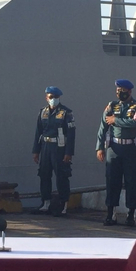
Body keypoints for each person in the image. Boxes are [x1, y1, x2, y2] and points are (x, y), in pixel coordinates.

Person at [96, 79, 136, 226]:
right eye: (118, 90)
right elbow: (103, 126)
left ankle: (131, 214)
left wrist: (116, 120)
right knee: (112, 181)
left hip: (131, 149)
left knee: (131, 181)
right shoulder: (112, 105)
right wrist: (99, 147)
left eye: (123, 90)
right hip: (114, 149)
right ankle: (111, 213)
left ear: (130, 91)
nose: (120, 92)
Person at [32, 86, 76, 216]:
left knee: (62, 175)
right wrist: (36, 151)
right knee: (44, 175)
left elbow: (71, 134)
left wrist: (69, 153)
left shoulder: (66, 113)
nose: (54, 100)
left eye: (56, 98)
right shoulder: (43, 112)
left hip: (60, 148)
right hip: (46, 146)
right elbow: (38, 132)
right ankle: (45, 203)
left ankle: (63, 205)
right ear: (46, 98)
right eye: (51, 97)